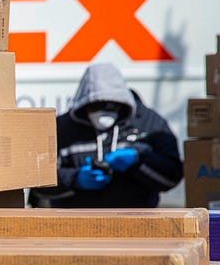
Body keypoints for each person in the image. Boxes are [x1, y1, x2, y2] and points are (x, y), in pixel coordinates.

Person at [29, 62, 184, 209]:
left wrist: (139, 160)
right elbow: (36, 182)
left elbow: (172, 176)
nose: (103, 112)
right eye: (96, 106)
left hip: (138, 224)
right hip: (75, 227)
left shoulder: (150, 123)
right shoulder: (61, 128)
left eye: (111, 106)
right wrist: (75, 178)